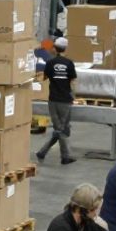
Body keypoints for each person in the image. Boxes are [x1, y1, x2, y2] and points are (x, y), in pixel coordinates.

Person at [36, 37, 77, 165]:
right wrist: (74, 96)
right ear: (66, 48)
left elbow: (44, 78)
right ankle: (65, 157)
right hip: (65, 100)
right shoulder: (69, 63)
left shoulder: (50, 63)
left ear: (55, 48)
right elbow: (72, 82)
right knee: (61, 129)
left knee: (59, 128)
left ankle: (43, 152)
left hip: (52, 100)